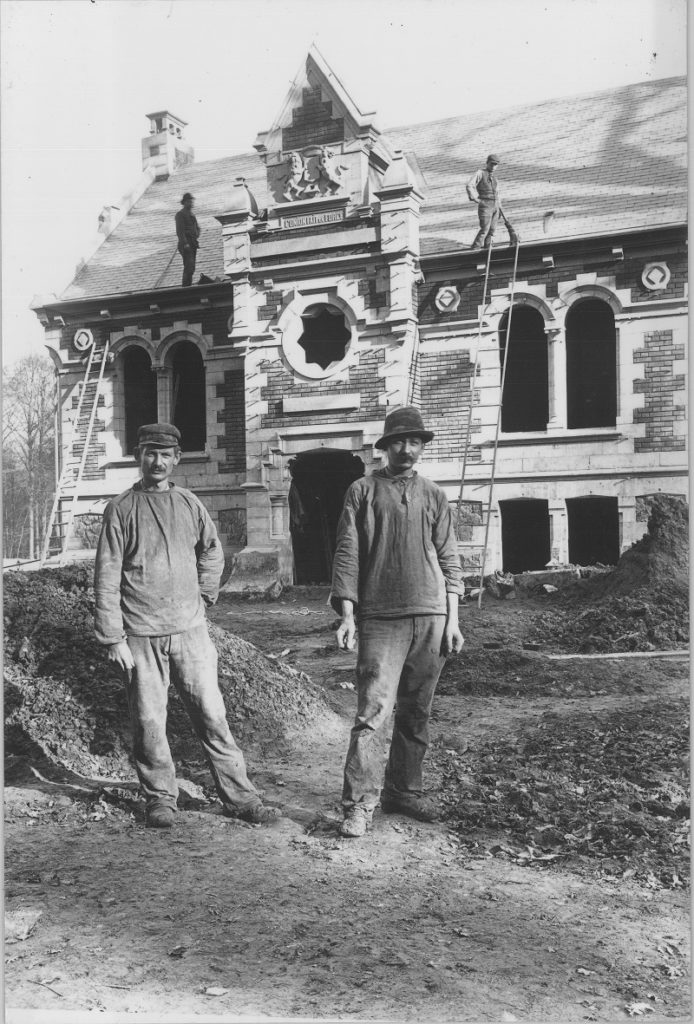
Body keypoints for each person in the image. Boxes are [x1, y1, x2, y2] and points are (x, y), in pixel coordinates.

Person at [94, 422, 280, 829]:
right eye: (149, 452)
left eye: (165, 454)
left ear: (176, 458)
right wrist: (113, 637)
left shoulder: (190, 503)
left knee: (213, 715)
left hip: (191, 631)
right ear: (138, 456)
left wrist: (206, 594)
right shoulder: (121, 509)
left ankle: (241, 798)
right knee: (148, 721)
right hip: (141, 634)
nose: (156, 461)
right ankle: (160, 798)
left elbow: (212, 551)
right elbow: (106, 576)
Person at [330, 406, 466, 838]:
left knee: (416, 712)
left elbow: (449, 559)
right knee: (372, 712)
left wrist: (453, 620)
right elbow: (348, 552)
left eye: (415, 442)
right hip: (381, 618)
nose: (407, 449)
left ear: (422, 447)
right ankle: (359, 803)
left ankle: (404, 790)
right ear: (386, 446)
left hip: (431, 615)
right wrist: (348, 613)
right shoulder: (362, 490)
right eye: (399, 442)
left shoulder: (434, 495)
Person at [466, 154, 519, 250]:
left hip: (495, 206)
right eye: (492, 164)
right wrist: (474, 198)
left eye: (495, 165)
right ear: (487, 163)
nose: (493, 166)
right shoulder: (480, 173)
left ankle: (488, 247)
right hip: (485, 204)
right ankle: (476, 247)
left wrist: (500, 208)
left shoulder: (495, 179)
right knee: (485, 229)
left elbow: (498, 195)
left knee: (492, 230)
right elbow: (469, 185)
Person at [175, 192, 200, 286]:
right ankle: (185, 287)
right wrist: (185, 243)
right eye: (189, 201)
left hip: (193, 243)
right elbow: (180, 231)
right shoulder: (180, 214)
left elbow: (197, 228)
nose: (191, 203)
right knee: (189, 266)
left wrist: (196, 234)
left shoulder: (192, 215)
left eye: (191, 201)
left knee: (192, 267)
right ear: (184, 202)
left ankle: (188, 285)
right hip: (186, 243)